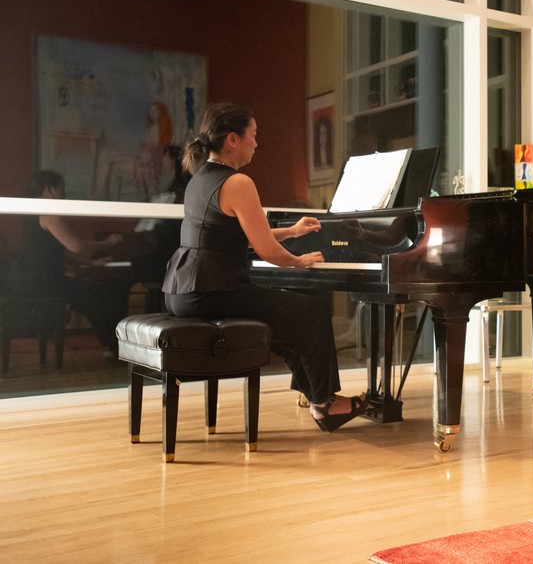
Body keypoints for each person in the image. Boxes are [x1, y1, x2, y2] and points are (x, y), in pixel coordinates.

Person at [161, 102, 367, 432]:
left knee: (285, 318)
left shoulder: (200, 179)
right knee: (310, 311)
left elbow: (239, 235)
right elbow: (265, 249)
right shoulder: (238, 183)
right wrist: (298, 261)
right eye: (253, 136)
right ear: (233, 139)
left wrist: (292, 232)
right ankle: (326, 405)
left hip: (183, 291)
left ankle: (316, 396)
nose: (256, 143)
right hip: (213, 291)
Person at [5, 171, 131, 360]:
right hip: (41, 283)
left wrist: (90, 262)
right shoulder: (48, 215)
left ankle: (110, 346)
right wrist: (108, 243)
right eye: (61, 188)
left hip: (27, 280)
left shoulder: (33, 213)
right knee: (101, 298)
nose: (64, 194)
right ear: (48, 190)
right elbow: (76, 246)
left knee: (95, 298)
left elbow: (55, 252)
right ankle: (115, 349)